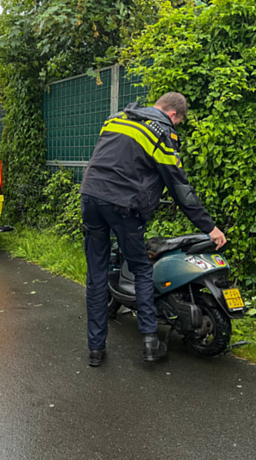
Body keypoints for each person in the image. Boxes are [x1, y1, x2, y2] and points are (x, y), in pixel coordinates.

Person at [79, 92, 226, 367]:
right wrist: (210, 227)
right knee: (142, 269)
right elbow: (179, 187)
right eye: (178, 123)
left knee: (96, 276)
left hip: (90, 198)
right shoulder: (161, 133)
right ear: (174, 115)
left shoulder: (117, 119)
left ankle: (95, 350)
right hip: (124, 207)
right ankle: (150, 342)